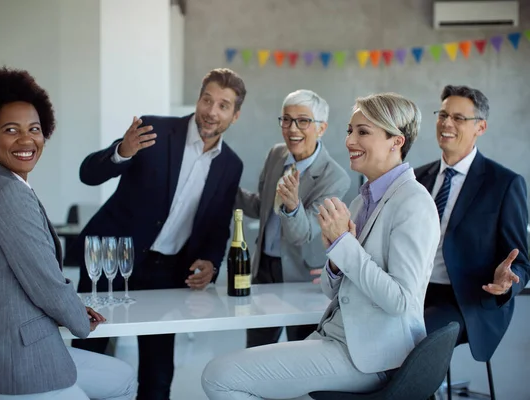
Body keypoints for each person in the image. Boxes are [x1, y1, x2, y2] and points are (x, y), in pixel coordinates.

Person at [201, 93, 441, 399]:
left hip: (371, 355)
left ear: (396, 141)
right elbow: (331, 289)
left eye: (363, 132)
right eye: (350, 130)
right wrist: (336, 260)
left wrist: (343, 244)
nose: (349, 141)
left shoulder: (414, 203)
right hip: (335, 338)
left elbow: (400, 302)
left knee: (218, 376)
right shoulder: (360, 201)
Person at [0, 67, 137, 400]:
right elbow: (46, 282)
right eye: (11, 130)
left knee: (121, 377)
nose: (27, 140)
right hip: (12, 357)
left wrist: (74, 309)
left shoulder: (0, 184)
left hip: (11, 342)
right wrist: (80, 322)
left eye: (34, 129)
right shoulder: (7, 194)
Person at [71, 68, 246, 400]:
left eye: (223, 105)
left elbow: (217, 226)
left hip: (167, 273)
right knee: (88, 355)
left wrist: (211, 262)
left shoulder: (231, 165)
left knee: (158, 371)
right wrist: (123, 151)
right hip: (110, 262)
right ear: (198, 99)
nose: (211, 110)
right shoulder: (153, 130)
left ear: (234, 116)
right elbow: (88, 173)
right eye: (207, 99)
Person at [416, 85, 530, 363]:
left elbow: (522, 262)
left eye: (458, 118)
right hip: (413, 291)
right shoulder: (417, 179)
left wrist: (506, 283)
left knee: (412, 341)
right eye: (442, 115)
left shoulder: (504, 184)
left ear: (481, 127)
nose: (446, 123)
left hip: (465, 300)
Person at [235, 89, 350, 347]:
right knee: (257, 349)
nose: (292, 128)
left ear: (321, 128)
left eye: (303, 120)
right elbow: (261, 207)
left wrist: (292, 204)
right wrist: (227, 186)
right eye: (286, 119)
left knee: (298, 352)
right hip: (263, 270)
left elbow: (304, 233)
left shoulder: (335, 177)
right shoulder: (276, 155)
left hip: (301, 277)